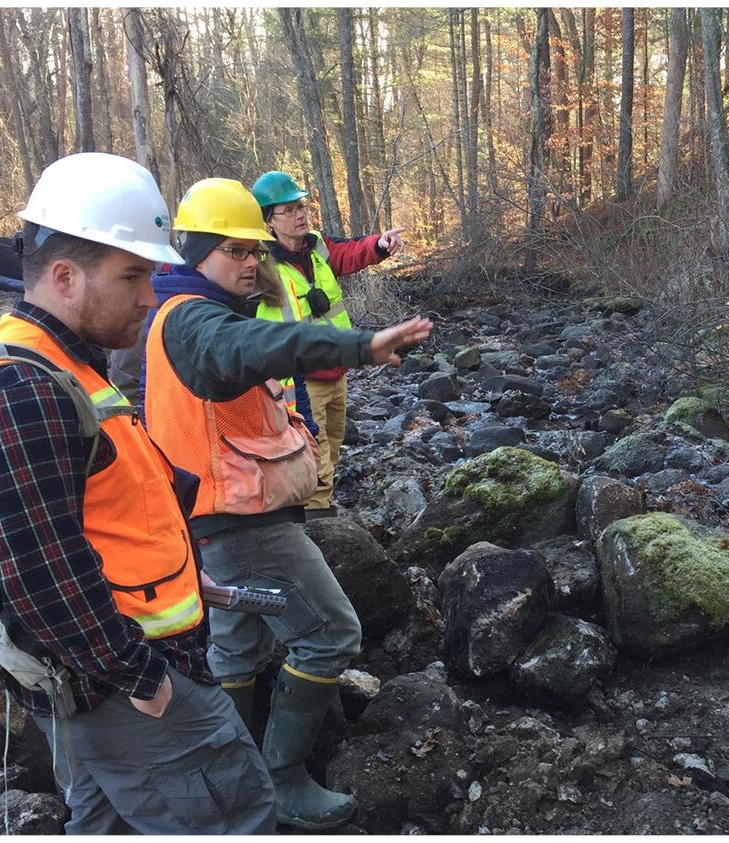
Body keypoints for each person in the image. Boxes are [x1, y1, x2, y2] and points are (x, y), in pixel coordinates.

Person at [0, 152, 276, 834]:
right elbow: (41, 567)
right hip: (124, 681)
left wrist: (185, 579)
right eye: (133, 275)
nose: (150, 295)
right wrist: (139, 677)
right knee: (237, 817)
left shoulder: (64, 367)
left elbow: (109, 511)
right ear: (64, 277)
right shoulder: (20, 389)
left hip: (111, 671)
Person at [141, 176, 431, 829]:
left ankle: (235, 770)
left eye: (255, 250)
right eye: (233, 251)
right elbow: (250, 349)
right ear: (196, 252)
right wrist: (362, 345)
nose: (250, 262)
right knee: (331, 634)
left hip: (222, 516)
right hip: (239, 521)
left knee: (237, 651)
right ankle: (281, 777)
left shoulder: (190, 313)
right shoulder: (194, 321)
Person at [250, 170, 406, 516]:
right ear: (268, 221)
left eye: (300, 205)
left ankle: (321, 504)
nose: (300, 213)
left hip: (336, 369)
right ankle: (316, 515)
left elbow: (350, 251)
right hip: (298, 379)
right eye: (288, 210)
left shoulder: (316, 245)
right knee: (310, 448)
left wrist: (378, 245)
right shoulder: (259, 265)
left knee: (333, 442)